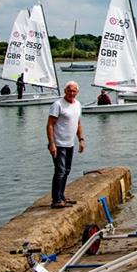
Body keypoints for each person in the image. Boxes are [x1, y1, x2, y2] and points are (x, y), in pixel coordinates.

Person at [46, 81, 84, 209]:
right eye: (69, 91)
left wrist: (81, 139)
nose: (71, 93)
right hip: (58, 144)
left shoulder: (77, 104)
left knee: (66, 171)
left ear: (77, 92)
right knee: (60, 171)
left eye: (74, 91)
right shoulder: (58, 105)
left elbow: (78, 123)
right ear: (65, 91)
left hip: (70, 143)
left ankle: (61, 196)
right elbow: (50, 124)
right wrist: (52, 144)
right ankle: (56, 200)